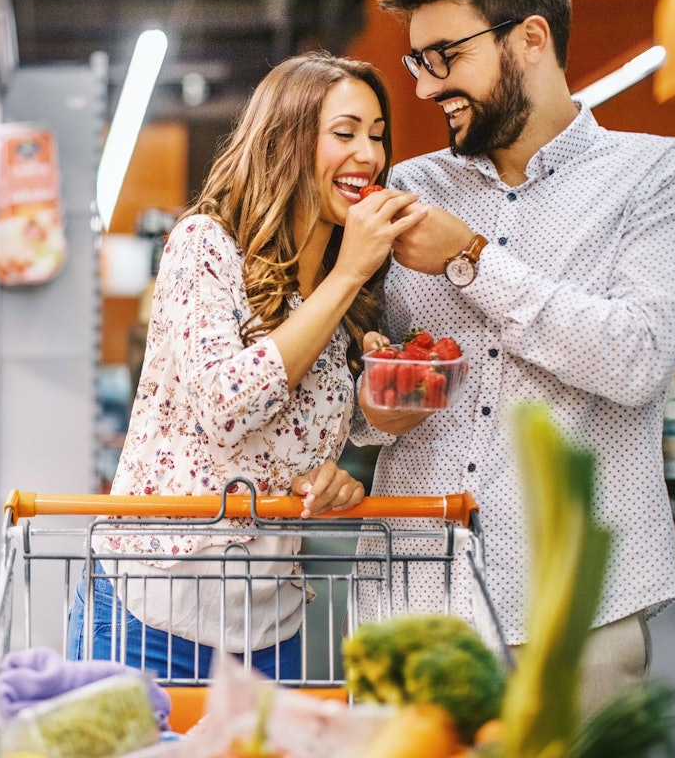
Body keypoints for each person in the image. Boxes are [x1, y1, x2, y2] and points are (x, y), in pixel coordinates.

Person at [350, 0, 675, 718]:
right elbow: (352, 387)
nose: (424, 88)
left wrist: (471, 260)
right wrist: (370, 407)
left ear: (528, 38)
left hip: (575, 609)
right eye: (416, 63)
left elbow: (635, 359)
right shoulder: (408, 192)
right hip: (407, 596)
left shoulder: (663, 179)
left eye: (445, 57)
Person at [67, 52, 422, 681]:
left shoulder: (349, 291)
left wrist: (341, 467)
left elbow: (349, 427)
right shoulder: (205, 246)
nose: (368, 155)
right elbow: (226, 406)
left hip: (270, 624)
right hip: (150, 608)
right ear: (287, 140)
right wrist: (347, 275)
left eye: (376, 135)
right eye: (344, 133)